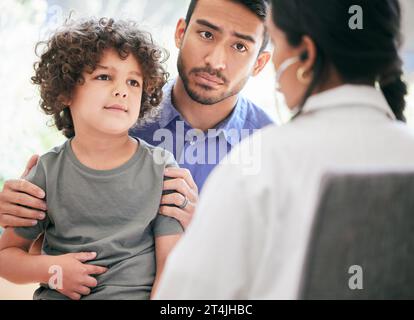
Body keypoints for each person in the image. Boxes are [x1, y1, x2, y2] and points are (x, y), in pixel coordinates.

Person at [155, 0, 414, 299]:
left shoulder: (262, 157)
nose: (216, 61)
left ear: (304, 55)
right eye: (207, 35)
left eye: (275, 45)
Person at [0, 0, 274, 231]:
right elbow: (55, 240)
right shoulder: (115, 112)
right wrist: (28, 209)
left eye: (240, 47)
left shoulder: (274, 151)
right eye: (206, 35)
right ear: (180, 32)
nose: (215, 61)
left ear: (259, 63)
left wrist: (202, 231)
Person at [0, 18, 183, 300]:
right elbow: (6, 258)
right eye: (104, 76)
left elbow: (170, 268)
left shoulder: (162, 169)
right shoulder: (47, 171)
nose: (122, 90)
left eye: (133, 81)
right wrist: (52, 270)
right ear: (66, 90)